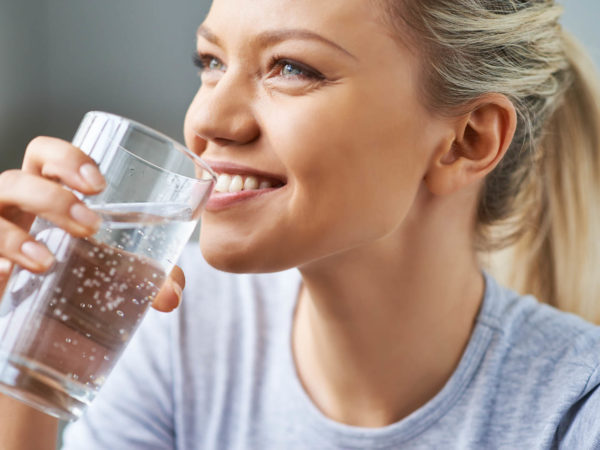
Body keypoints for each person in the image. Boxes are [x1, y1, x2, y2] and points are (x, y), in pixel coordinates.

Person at [1, 0, 600, 448]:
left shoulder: (576, 412)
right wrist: (17, 363)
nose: (208, 118)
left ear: (467, 141)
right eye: (210, 61)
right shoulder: (178, 338)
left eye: (291, 67)